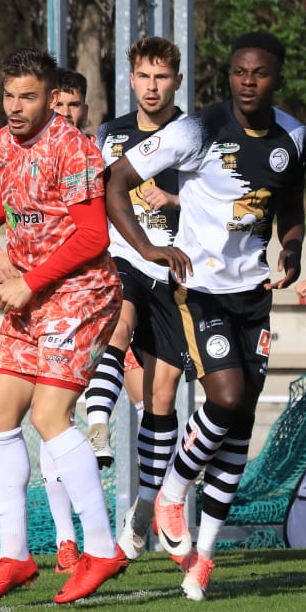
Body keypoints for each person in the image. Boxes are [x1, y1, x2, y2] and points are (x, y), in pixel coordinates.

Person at [105, 31, 306, 601]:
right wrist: (147, 249)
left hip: (255, 295)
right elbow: (116, 183)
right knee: (223, 397)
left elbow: (290, 204)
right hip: (200, 293)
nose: (248, 81)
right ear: (229, 76)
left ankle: (205, 556)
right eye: (239, 71)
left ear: (276, 77)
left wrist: (290, 250)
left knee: (240, 421)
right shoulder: (195, 129)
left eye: (260, 73)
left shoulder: (293, 135)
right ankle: (171, 494)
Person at [0, 48, 127, 606]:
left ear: (52, 97)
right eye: (8, 95)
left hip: (79, 292)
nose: (14, 106)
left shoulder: (72, 148)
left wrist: (30, 284)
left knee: (50, 414)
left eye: (27, 96)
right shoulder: (2, 144)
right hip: (31, 295)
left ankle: (100, 549)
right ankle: (16, 556)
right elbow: (3, 197)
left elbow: (93, 236)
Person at [91, 37, 192, 558]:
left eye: (162, 77)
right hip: (126, 260)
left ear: (176, 80)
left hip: (175, 273)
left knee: (161, 398)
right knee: (118, 324)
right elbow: (95, 196)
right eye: (143, 77)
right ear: (131, 79)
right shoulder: (111, 134)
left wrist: (174, 198)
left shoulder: (194, 134)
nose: (152, 87)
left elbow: (220, 201)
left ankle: (147, 509)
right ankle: (98, 423)